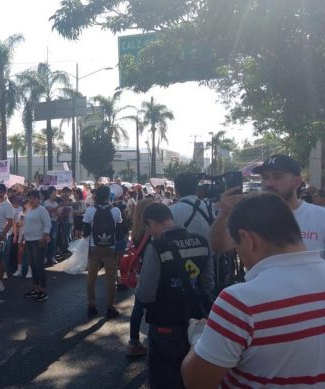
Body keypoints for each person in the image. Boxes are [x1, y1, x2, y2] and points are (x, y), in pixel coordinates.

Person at [181, 193, 325, 389]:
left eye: (236, 246)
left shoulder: (240, 302)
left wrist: (198, 337)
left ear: (247, 239)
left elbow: (196, 382)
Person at [136, 203, 213, 389]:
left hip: (165, 321)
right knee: (193, 373)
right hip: (197, 320)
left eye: (148, 228)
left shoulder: (157, 247)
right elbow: (209, 284)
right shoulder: (202, 242)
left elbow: (145, 294)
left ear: (152, 223)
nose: (150, 233)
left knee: (164, 376)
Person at [210, 154, 325, 252]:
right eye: (265, 177)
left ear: (296, 182)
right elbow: (219, 247)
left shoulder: (320, 217)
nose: (269, 183)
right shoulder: (249, 217)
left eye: (277, 176)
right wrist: (223, 215)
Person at [82, 185, 124, 319]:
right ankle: (111, 307)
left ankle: (91, 305)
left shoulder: (90, 210)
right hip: (110, 249)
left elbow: (86, 232)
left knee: (91, 278)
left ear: (95, 196)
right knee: (111, 279)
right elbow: (119, 229)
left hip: (94, 248)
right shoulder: (116, 210)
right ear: (108, 196)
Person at [126, 197, 155, 357]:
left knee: (138, 307)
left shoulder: (136, 228)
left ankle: (133, 341)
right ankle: (152, 341)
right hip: (150, 269)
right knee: (153, 306)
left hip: (140, 270)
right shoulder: (151, 229)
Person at [22, 190, 51, 302]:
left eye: (34, 198)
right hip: (29, 241)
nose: (32, 200)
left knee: (39, 266)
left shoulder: (42, 210)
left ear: (38, 199)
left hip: (38, 242)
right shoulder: (29, 210)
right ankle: (36, 288)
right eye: (30, 198)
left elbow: (48, 225)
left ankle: (43, 291)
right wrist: (23, 236)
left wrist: (44, 237)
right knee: (33, 266)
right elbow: (27, 224)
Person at [169, 173, 214, 242]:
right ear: (196, 190)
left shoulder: (170, 211)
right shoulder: (211, 207)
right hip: (210, 252)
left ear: (176, 191)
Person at [0, 183, 14, 291]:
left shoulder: (8, 205)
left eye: (0, 191)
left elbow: (10, 222)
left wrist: (1, 235)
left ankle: (0, 282)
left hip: (0, 234)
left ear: (5, 192)